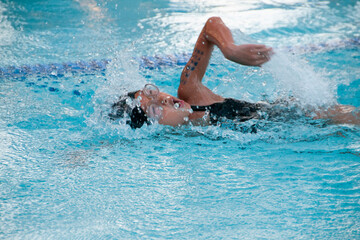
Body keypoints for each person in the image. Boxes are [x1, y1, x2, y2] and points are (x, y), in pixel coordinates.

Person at [109, 17, 360, 128]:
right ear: (154, 128)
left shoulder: (192, 93)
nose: (163, 99)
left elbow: (211, 26)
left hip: (301, 116)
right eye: (155, 109)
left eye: (152, 92)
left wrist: (229, 49)